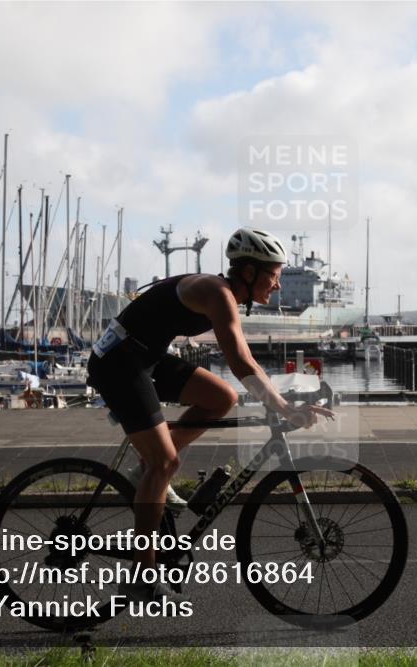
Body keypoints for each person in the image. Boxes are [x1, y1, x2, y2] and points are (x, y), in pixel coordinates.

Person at [86, 227, 335, 603]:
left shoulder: (222, 293)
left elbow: (241, 365)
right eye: (274, 276)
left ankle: (147, 467)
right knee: (166, 462)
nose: (278, 286)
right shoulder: (218, 294)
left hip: (143, 357)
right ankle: (141, 574)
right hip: (119, 363)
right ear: (249, 273)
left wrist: (278, 399)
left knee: (221, 398)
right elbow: (240, 359)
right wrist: (283, 406)